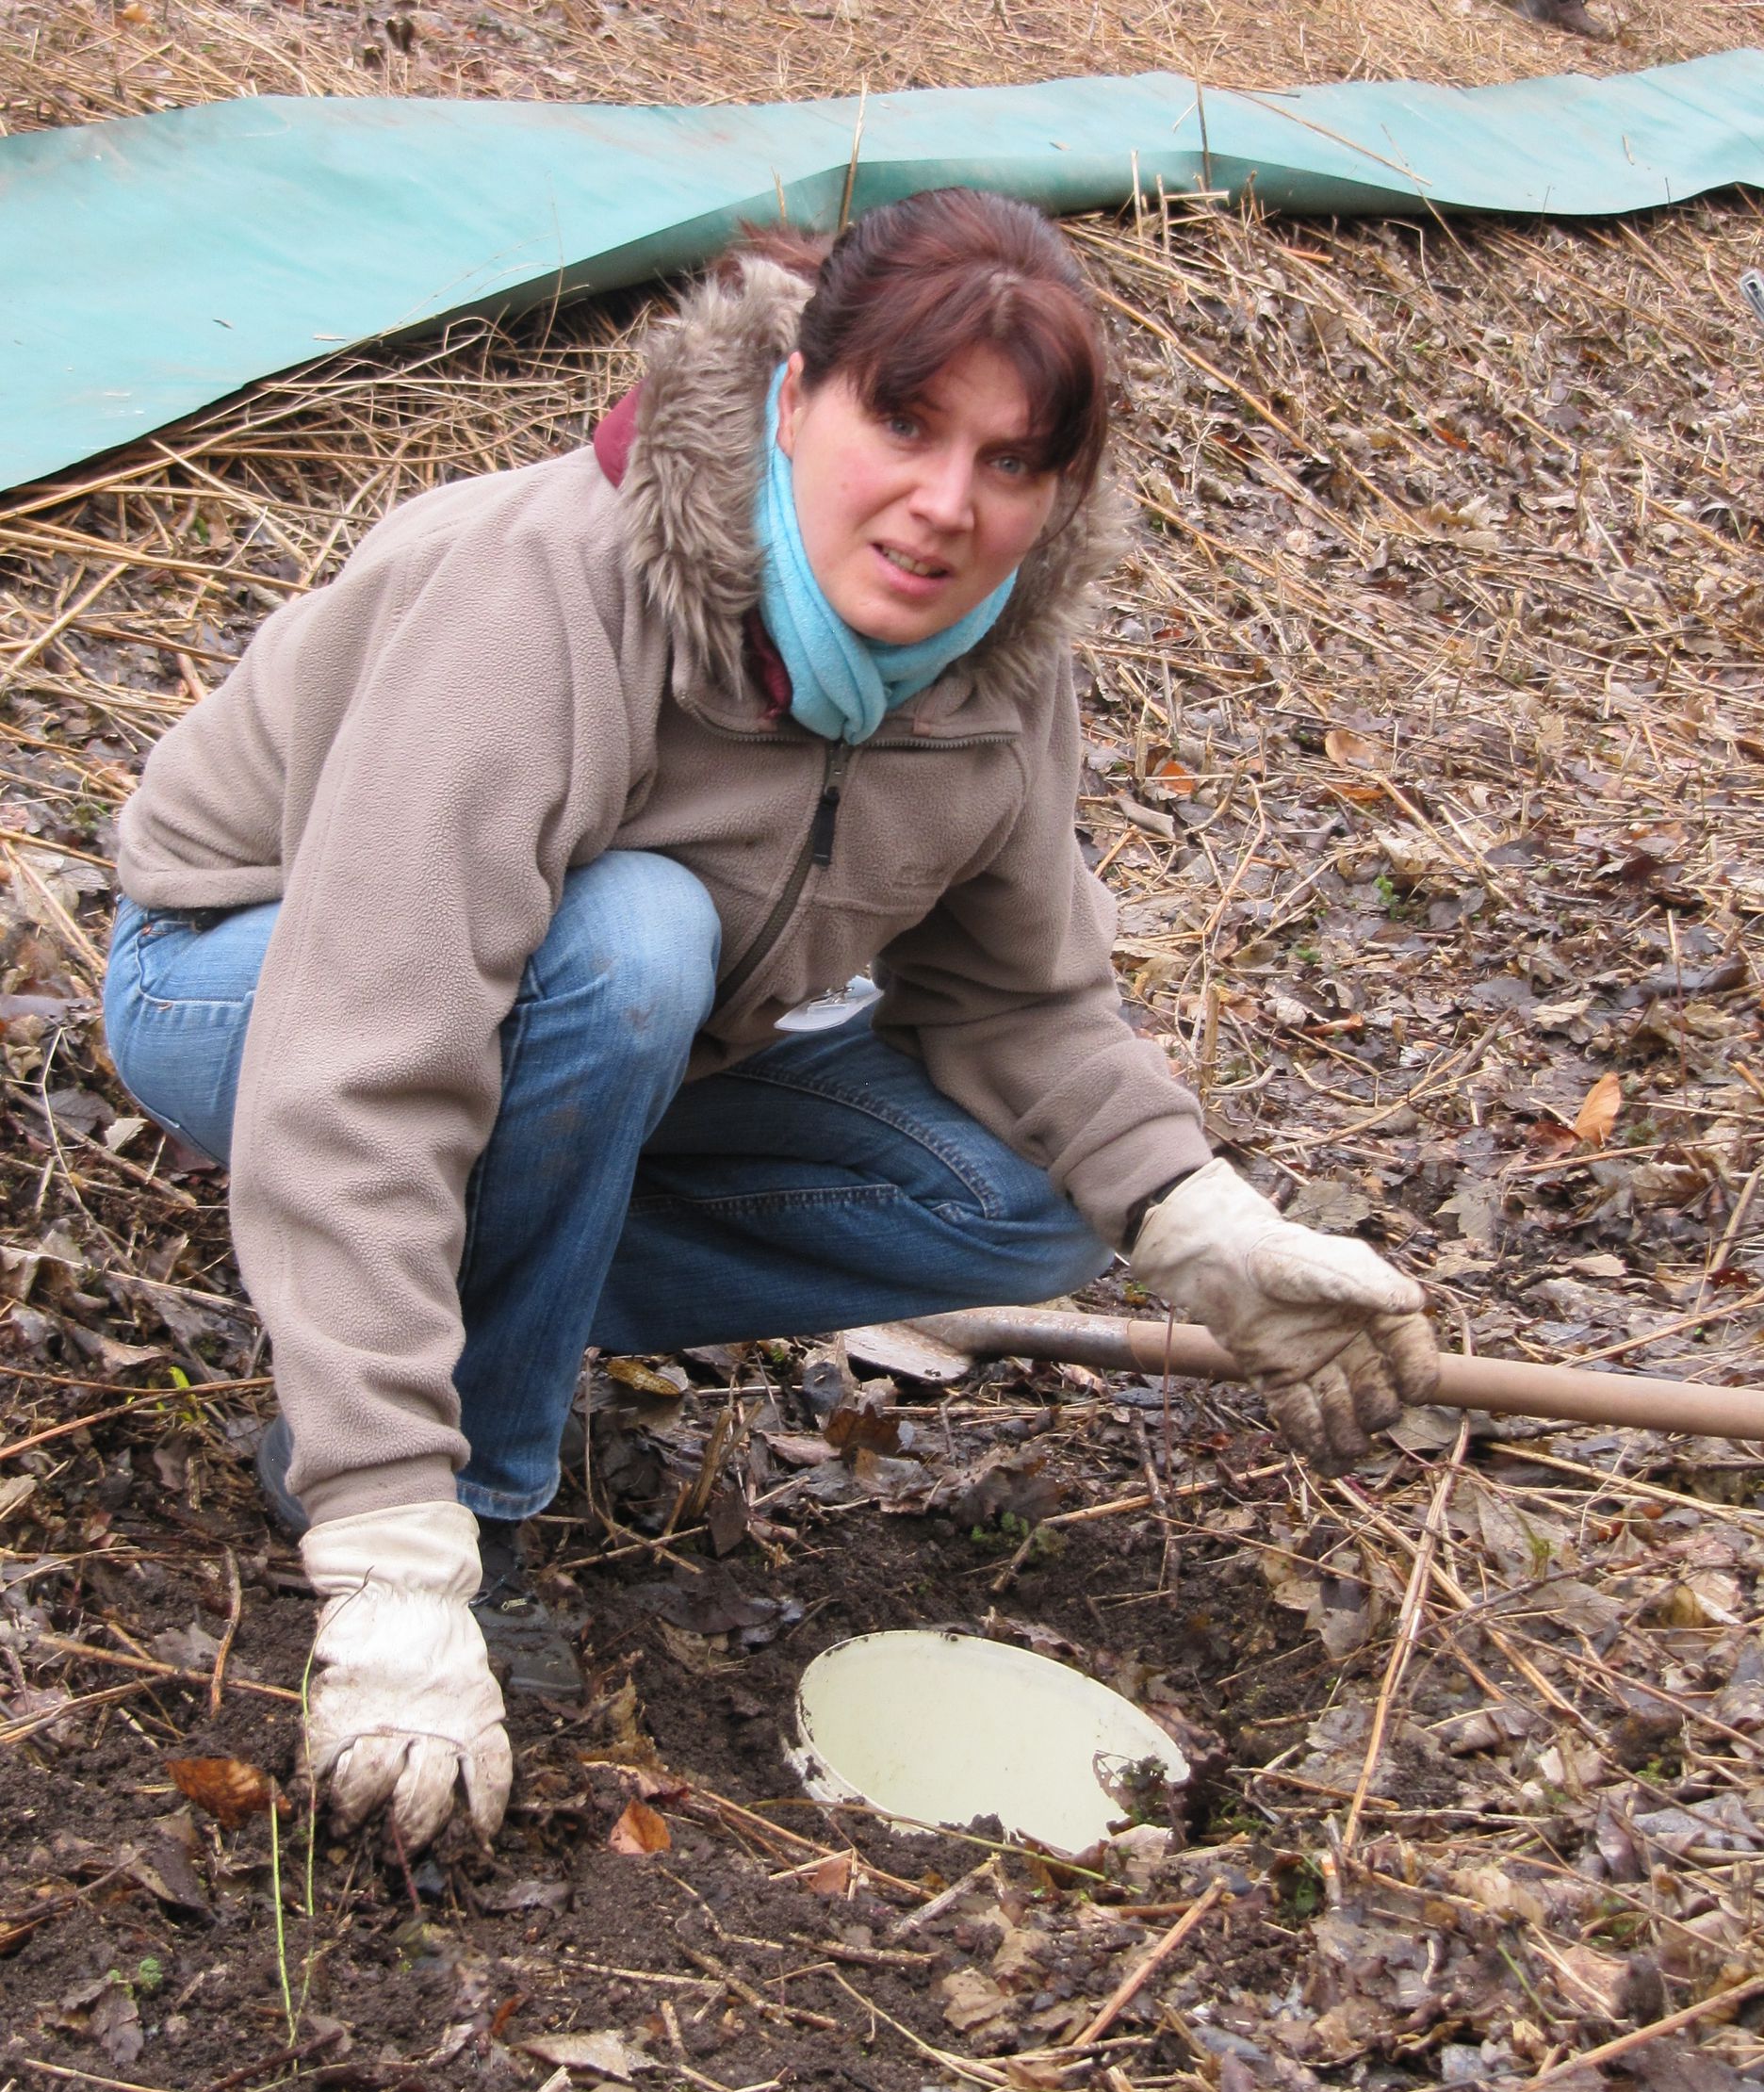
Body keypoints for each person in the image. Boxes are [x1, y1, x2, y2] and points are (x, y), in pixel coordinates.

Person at [103, 189, 1437, 1852]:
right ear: (797, 395)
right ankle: (458, 1491)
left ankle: (428, 1318)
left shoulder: (993, 670)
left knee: (1026, 1196)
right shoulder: (551, 596)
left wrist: (1198, 1217)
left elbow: (1024, 1000)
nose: (944, 505)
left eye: (1012, 462)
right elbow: (364, 1069)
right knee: (634, 941)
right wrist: (389, 1554)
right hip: (244, 972)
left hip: (600, 1036)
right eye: (901, 421)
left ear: (1058, 491)